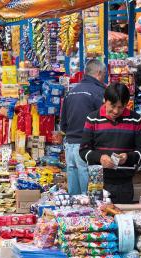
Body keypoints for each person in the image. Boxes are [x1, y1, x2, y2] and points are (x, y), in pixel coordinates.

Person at [79, 83, 141, 204]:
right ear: (105, 100)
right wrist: (100, 158)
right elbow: (84, 150)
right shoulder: (93, 118)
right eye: (113, 106)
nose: (116, 111)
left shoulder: (135, 120)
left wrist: (127, 157)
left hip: (124, 183)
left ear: (126, 104)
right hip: (98, 182)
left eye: (121, 107)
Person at [60, 59, 106, 195]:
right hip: (86, 147)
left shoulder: (71, 92)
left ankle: (73, 213)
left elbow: (63, 124)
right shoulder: (99, 92)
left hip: (70, 145)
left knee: (74, 194)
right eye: (104, 74)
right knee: (88, 194)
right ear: (99, 73)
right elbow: (104, 120)